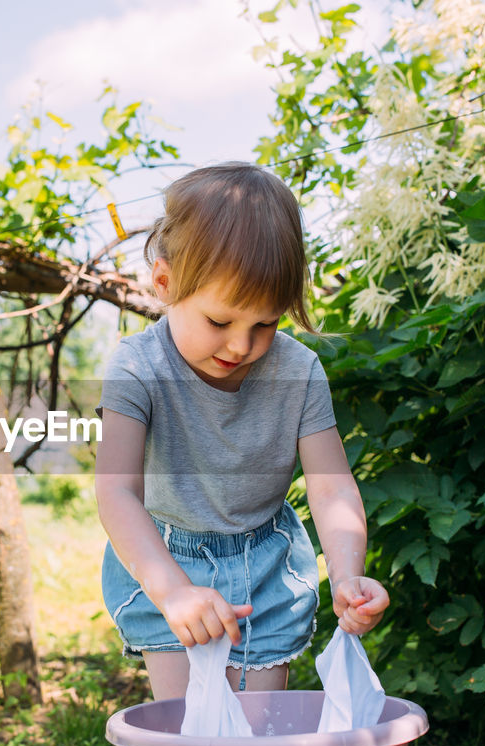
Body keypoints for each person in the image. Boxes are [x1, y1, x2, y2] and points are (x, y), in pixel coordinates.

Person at [95, 162, 390, 702]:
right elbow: (116, 492)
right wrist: (173, 592)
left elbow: (332, 488)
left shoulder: (297, 372)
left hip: (266, 568)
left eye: (265, 324)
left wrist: (348, 573)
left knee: (255, 737)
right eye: (219, 322)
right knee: (190, 731)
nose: (240, 346)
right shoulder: (138, 368)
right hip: (166, 558)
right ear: (164, 283)